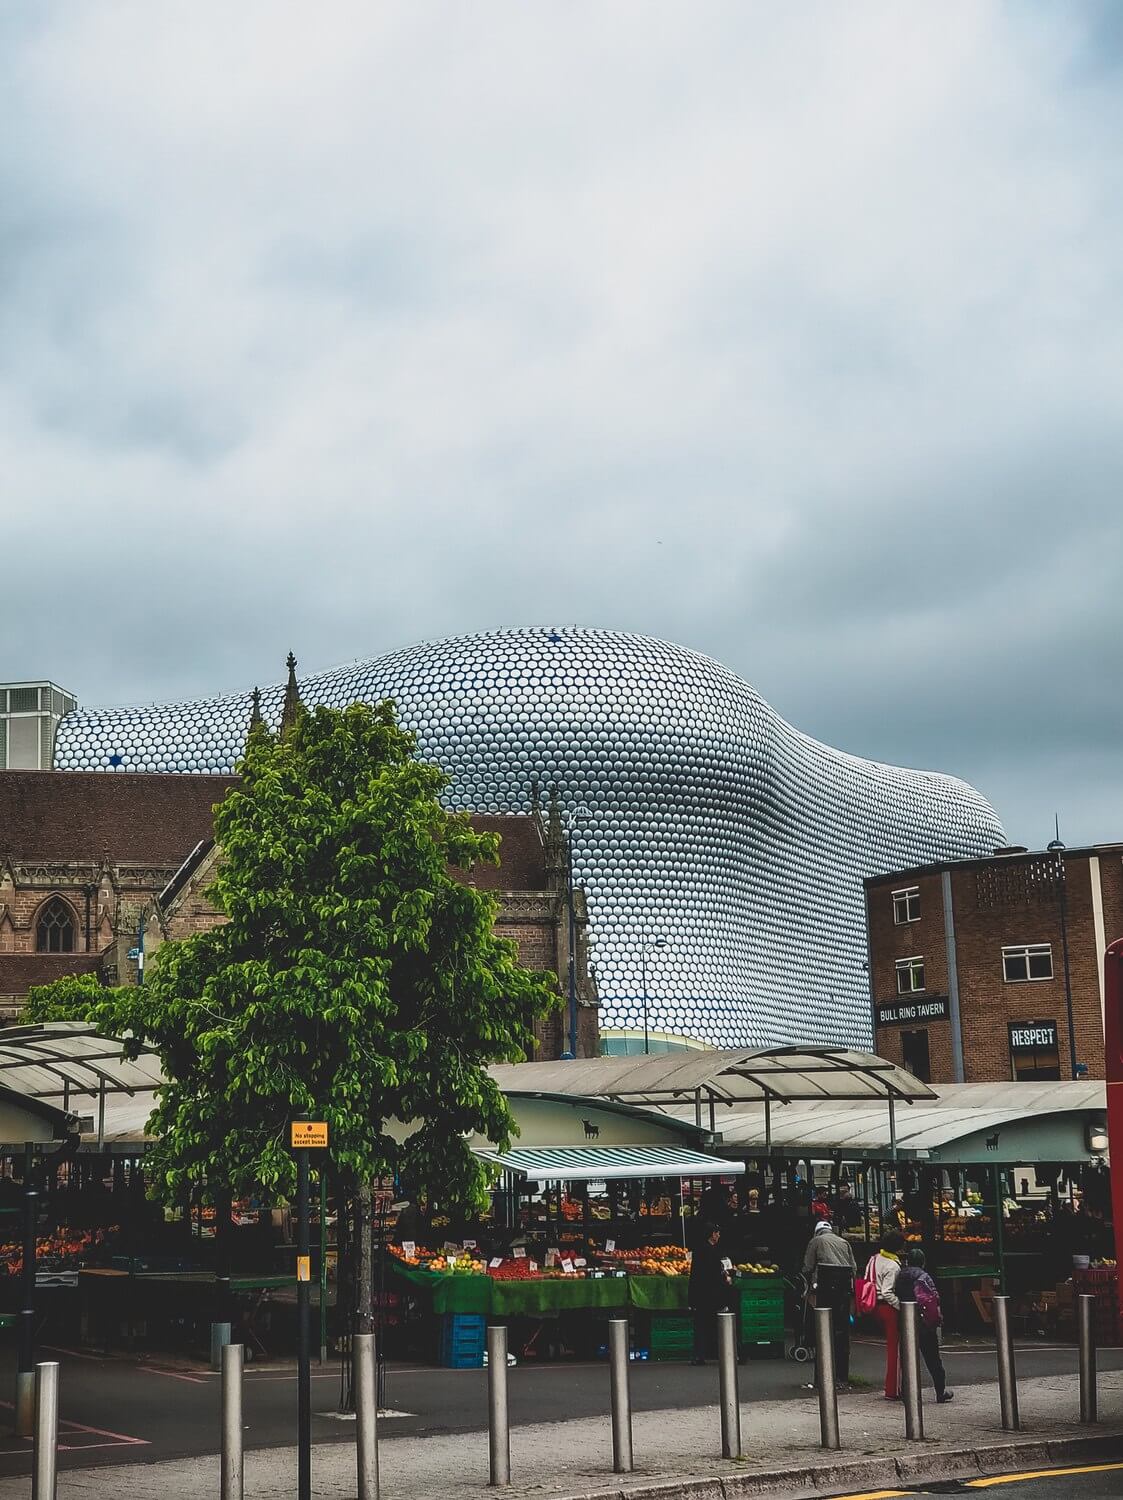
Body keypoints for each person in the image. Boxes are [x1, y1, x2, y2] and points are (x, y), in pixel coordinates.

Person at [802, 1219, 857, 1386]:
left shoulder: (816, 1241)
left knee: (823, 1331)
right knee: (841, 1332)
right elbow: (853, 1267)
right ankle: (842, 1378)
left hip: (824, 1289)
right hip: (844, 1290)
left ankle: (822, 1378)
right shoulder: (844, 1242)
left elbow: (807, 1266)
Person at [895, 1248, 952, 1402]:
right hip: (924, 1324)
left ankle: (908, 1393)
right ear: (923, 1262)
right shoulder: (923, 1276)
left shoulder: (900, 1275)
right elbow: (933, 1299)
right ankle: (940, 1392)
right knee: (933, 1359)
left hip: (905, 1321)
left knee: (908, 1359)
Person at [688, 1223, 734, 1365]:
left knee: (701, 1324)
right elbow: (716, 1271)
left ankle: (700, 1355)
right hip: (712, 1292)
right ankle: (727, 1352)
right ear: (712, 1234)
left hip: (702, 1293)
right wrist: (726, 1277)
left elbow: (695, 1274)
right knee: (718, 1323)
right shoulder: (712, 1251)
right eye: (717, 1233)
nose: (719, 1235)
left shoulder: (700, 1250)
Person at [870, 1229, 905, 1398]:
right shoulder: (892, 1265)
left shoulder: (874, 1259)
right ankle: (893, 1389)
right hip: (888, 1308)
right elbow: (887, 1292)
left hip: (873, 1305)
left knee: (893, 1348)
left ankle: (893, 1387)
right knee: (895, 1350)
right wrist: (902, 1307)